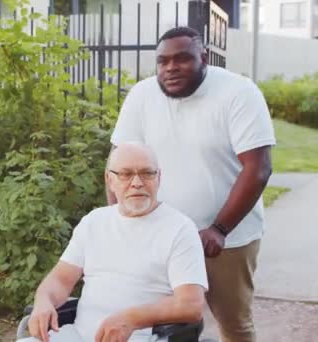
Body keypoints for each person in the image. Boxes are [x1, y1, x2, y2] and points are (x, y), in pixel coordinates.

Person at [108, 27, 275, 342]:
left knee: (234, 325)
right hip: (158, 236)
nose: (171, 68)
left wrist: (219, 229)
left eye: (182, 59)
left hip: (227, 240)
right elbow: (119, 164)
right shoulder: (142, 95)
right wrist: (123, 221)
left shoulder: (239, 92)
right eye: (162, 61)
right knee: (151, 322)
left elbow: (258, 168)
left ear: (204, 58)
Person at [19, 143, 207, 342]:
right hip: (78, 335)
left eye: (147, 173)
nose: (137, 182)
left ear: (158, 178)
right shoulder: (94, 221)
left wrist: (131, 319)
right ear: (110, 180)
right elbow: (60, 280)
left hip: (142, 338)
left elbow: (191, 304)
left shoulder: (179, 229)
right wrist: (43, 302)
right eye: (126, 174)